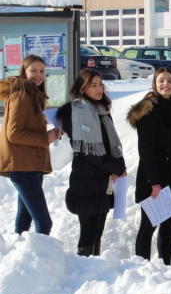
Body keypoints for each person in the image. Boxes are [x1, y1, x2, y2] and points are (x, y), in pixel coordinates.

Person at [57, 69, 126, 256]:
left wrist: (120, 164)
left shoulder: (102, 110)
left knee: (98, 232)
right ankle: (84, 271)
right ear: (82, 87)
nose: (99, 88)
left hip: (102, 180)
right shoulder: (74, 111)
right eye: (93, 85)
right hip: (85, 180)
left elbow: (111, 142)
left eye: (100, 84)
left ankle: (93, 270)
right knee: (88, 233)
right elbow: (87, 151)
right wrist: (116, 167)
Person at [127, 67, 171, 265]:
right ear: (154, 83)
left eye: (170, 80)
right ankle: (141, 267)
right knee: (149, 225)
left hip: (170, 172)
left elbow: (169, 143)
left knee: (168, 225)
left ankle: (165, 267)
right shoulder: (150, 109)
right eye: (161, 80)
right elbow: (146, 150)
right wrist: (154, 182)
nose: (166, 84)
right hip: (154, 176)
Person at [0, 55, 60, 236]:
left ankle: (21, 258)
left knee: (25, 217)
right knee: (43, 221)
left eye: (42, 71)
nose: (38, 74)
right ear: (24, 72)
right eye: (33, 70)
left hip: (30, 163)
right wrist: (45, 138)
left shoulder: (31, 95)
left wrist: (51, 133)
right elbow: (14, 133)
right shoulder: (22, 96)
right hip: (22, 165)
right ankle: (41, 261)